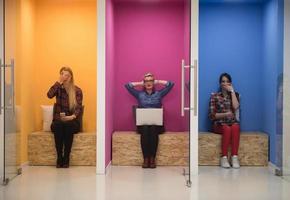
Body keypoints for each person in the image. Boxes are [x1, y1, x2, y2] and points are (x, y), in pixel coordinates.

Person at [125, 73, 174, 168]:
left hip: (156, 125)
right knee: (146, 129)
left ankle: (152, 159)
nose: (148, 83)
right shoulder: (139, 94)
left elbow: (171, 84)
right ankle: (146, 159)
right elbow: (127, 86)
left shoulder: (159, 93)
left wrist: (158, 81)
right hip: (143, 124)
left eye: (151, 80)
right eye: (146, 81)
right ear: (144, 83)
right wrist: (140, 83)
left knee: (152, 129)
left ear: (153, 82)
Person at [47, 67, 83, 168]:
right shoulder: (58, 89)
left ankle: (66, 157)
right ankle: (59, 157)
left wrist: (72, 117)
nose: (64, 77)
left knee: (68, 126)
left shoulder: (77, 90)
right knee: (58, 125)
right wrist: (58, 82)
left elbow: (78, 107)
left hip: (72, 121)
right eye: (62, 74)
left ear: (71, 77)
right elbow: (49, 95)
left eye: (66, 75)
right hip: (58, 122)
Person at [209, 73, 240, 169]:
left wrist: (232, 91)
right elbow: (212, 115)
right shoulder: (215, 96)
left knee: (235, 127)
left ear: (230, 83)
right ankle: (224, 157)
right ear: (220, 83)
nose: (225, 83)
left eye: (227, 81)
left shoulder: (235, 95)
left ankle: (234, 157)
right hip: (219, 124)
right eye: (223, 81)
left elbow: (235, 107)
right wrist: (225, 114)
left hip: (232, 122)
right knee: (227, 129)